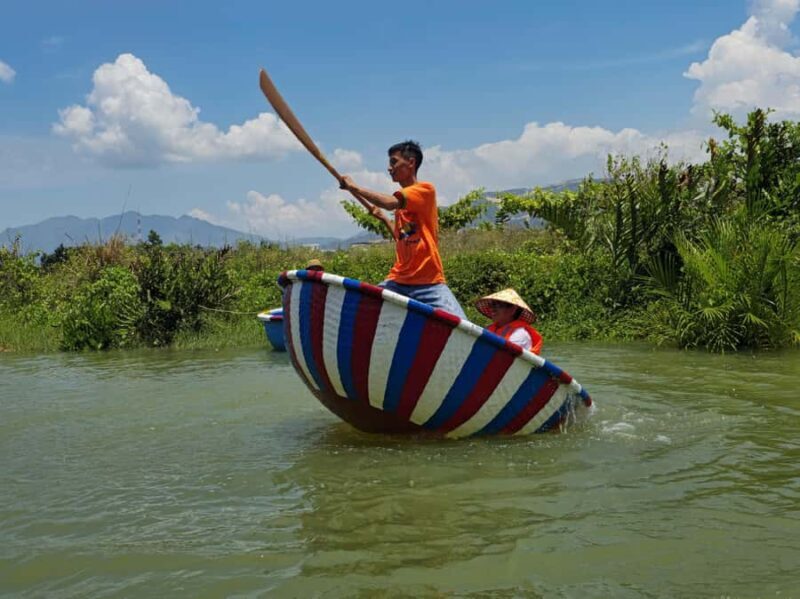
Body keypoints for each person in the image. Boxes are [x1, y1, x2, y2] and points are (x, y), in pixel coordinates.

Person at [339, 140, 466, 318]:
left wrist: (354, 187)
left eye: (394, 162)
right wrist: (384, 219)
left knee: (461, 325)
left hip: (428, 282)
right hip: (397, 281)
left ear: (411, 163)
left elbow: (389, 203)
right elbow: (404, 238)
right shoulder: (402, 209)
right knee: (362, 312)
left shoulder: (424, 190)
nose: (389, 168)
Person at [475, 289, 543, 354]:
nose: (493, 309)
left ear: (512, 310)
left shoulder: (519, 334)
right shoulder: (489, 330)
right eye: (492, 305)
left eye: (498, 305)